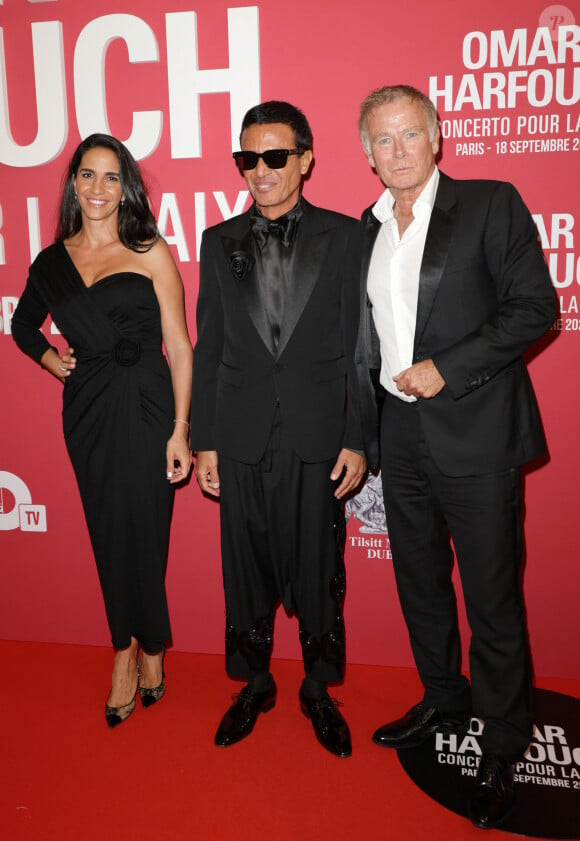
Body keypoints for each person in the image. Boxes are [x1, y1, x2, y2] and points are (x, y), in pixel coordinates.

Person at [358, 85, 555, 827]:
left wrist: (450, 364)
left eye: (411, 133)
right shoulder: (367, 228)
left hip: (476, 433)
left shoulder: (490, 203)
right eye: (384, 139)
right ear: (368, 153)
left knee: (492, 599)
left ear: (437, 137)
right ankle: (445, 700)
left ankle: (504, 739)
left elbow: (534, 307)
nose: (399, 149)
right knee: (420, 584)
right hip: (400, 437)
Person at [191, 101, 377, 757]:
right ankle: (256, 683)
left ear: (305, 158)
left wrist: (358, 437)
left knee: (319, 566)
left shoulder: (346, 236)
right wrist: (203, 437)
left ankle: (318, 690)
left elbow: (362, 344)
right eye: (248, 158)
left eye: (274, 156)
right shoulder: (218, 241)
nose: (260, 170)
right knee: (243, 569)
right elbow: (208, 345)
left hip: (318, 434)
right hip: (240, 435)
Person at [12, 134, 193, 728]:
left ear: (126, 187)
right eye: (87, 175)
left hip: (146, 401)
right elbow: (23, 327)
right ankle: (125, 649)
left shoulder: (149, 249)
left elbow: (181, 348)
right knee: (108, 531)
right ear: (73, 184)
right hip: (87, 408)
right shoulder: (51, 262)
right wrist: (53, 361)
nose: (97, 188)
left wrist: (180, 429)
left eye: (111, 177)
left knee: (147, 528)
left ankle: (153, 646)